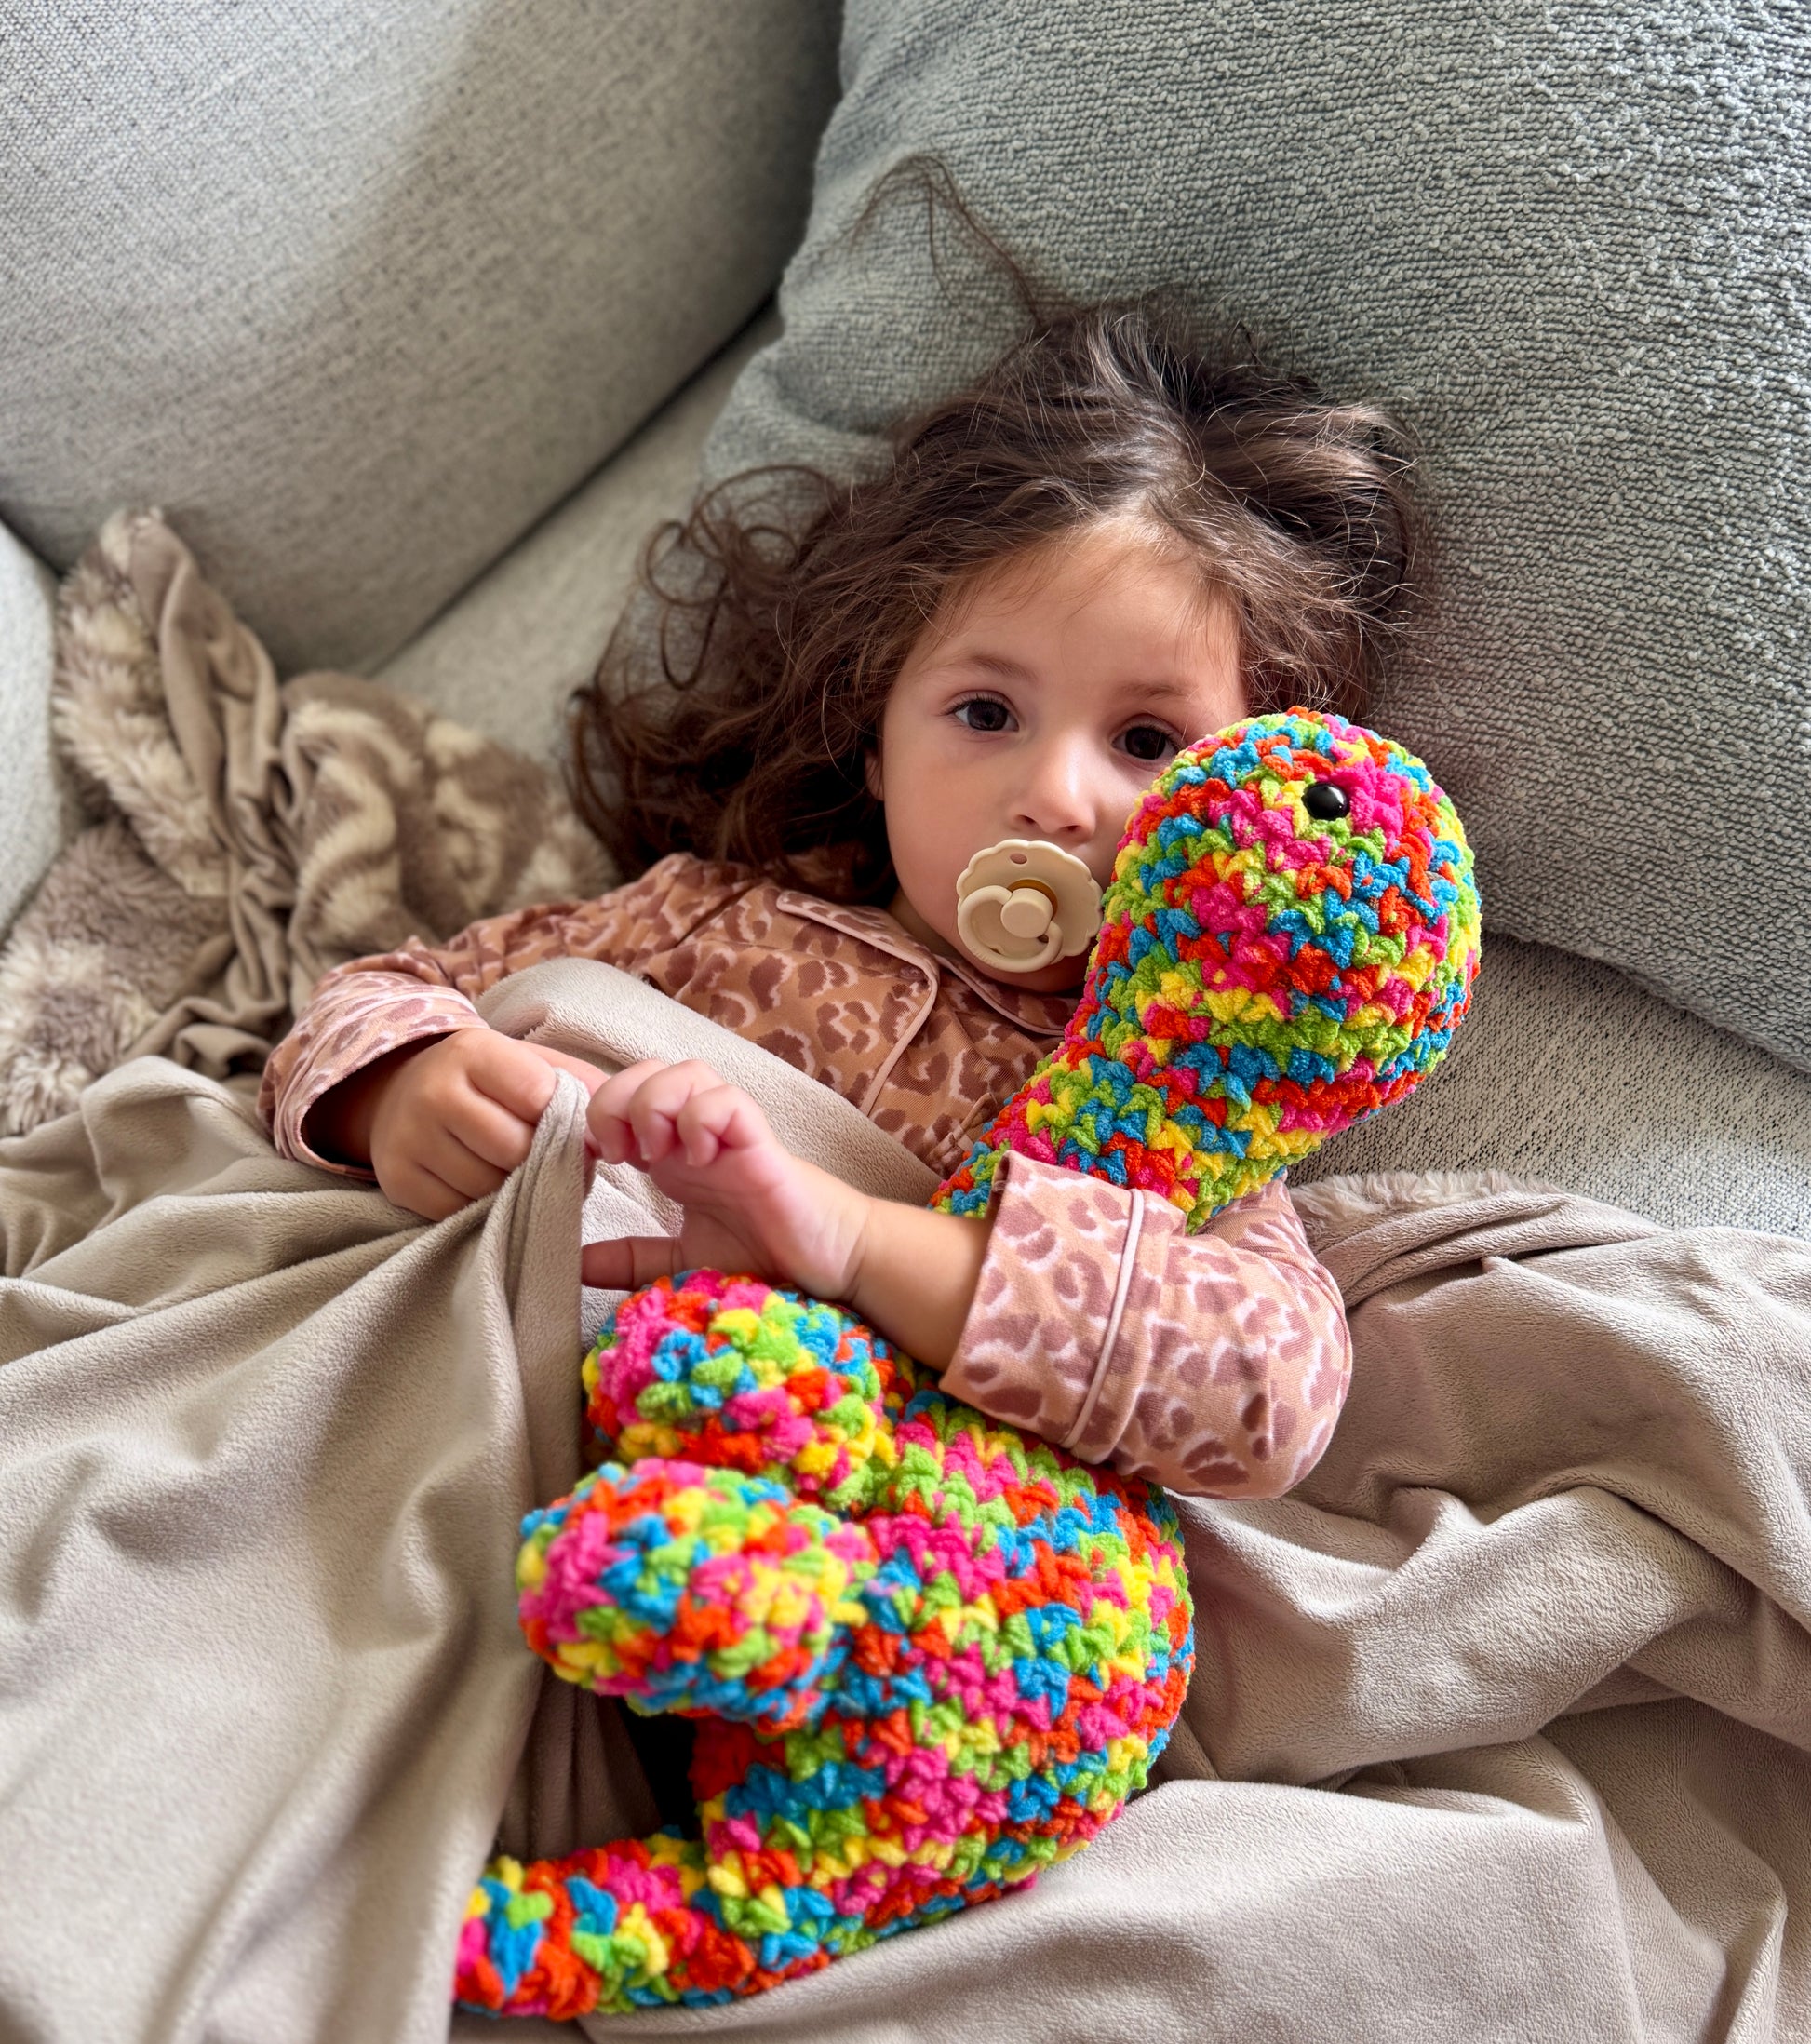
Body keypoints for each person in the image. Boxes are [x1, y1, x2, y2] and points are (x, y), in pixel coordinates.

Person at [260, 293, 1421, 1499]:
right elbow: (380, 994)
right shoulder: (709, 916)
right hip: (444, 1372)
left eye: (1143, 738)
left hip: (724, 1498)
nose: (1053, 796)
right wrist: (394, 1089)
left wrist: (860, 1243)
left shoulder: (1182, 1118)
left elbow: (1266, 1398)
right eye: (984, 714)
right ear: (875, 744)